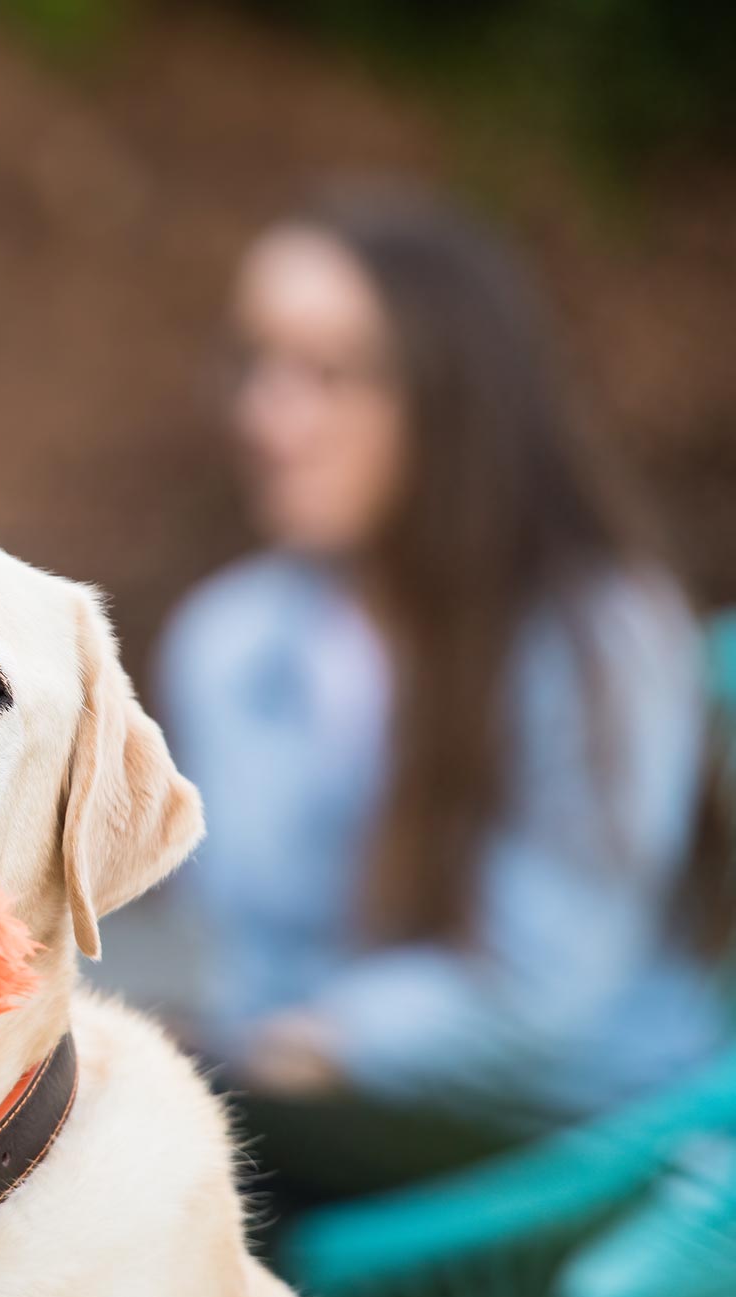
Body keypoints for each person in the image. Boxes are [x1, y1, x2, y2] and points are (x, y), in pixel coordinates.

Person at [158, 186, 726, 1146]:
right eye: (258, 365)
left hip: (577, 1158)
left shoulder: (602, 638)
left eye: (329, 373)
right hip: (323, 1129)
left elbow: (543, 993)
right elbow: (251, 964)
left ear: (448, 394)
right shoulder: (227, 641)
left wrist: (314, 1048)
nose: (268, 415)